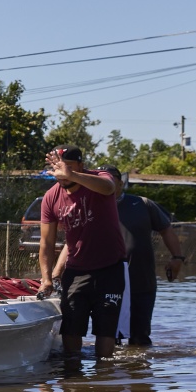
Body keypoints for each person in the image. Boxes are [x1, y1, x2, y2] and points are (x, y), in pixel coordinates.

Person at [36, 146, 125, 359]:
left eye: (67, 164)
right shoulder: (51, 197)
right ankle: (73, 382)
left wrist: (73, 175)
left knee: (105, 331)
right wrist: (47, 278)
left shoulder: (98, 178)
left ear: (80, 166)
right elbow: (46, 242)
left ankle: (104, 379)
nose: (61, 170)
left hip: (110, 268)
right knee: (72, 329)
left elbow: (108, 187)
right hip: (76, 271)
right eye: (56, 165)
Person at [115, 181, 185, 347]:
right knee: (109, 338)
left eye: (111, 180)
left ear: (120, 183)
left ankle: (140, 371)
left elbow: (166, 229)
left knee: (140, 338)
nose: (107, 184)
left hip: (142, 279)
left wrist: (177, 258)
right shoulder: (92, 204)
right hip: (109, 282)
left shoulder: (142, 203)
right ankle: (107, 373)